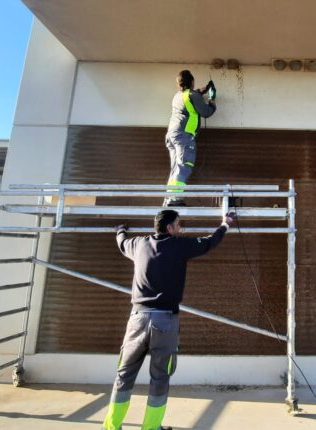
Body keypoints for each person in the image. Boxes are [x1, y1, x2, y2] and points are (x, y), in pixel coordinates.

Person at [103, 209, 234, 430]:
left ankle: (111, 427)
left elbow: (122, 242)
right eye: (178, 224)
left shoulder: (139, 244)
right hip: (164, 322)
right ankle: (151, 427)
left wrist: (120, 230)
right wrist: (225, 224)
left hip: (137, 319)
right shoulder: (179, 246)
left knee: (124, 375)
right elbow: (210, 242)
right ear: (170, 228)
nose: (180, 228)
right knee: (160, 377)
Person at [163, 70, 217, 206]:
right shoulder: (192, 95)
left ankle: (170, 198)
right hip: (184, 136)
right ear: (192, 82)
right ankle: (175, 199)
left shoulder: (178, 96)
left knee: (176, 167)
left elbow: (192, 96)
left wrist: (202, 90)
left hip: (172, 135)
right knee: (184, 166)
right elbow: (206, 112)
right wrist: (212, 101)